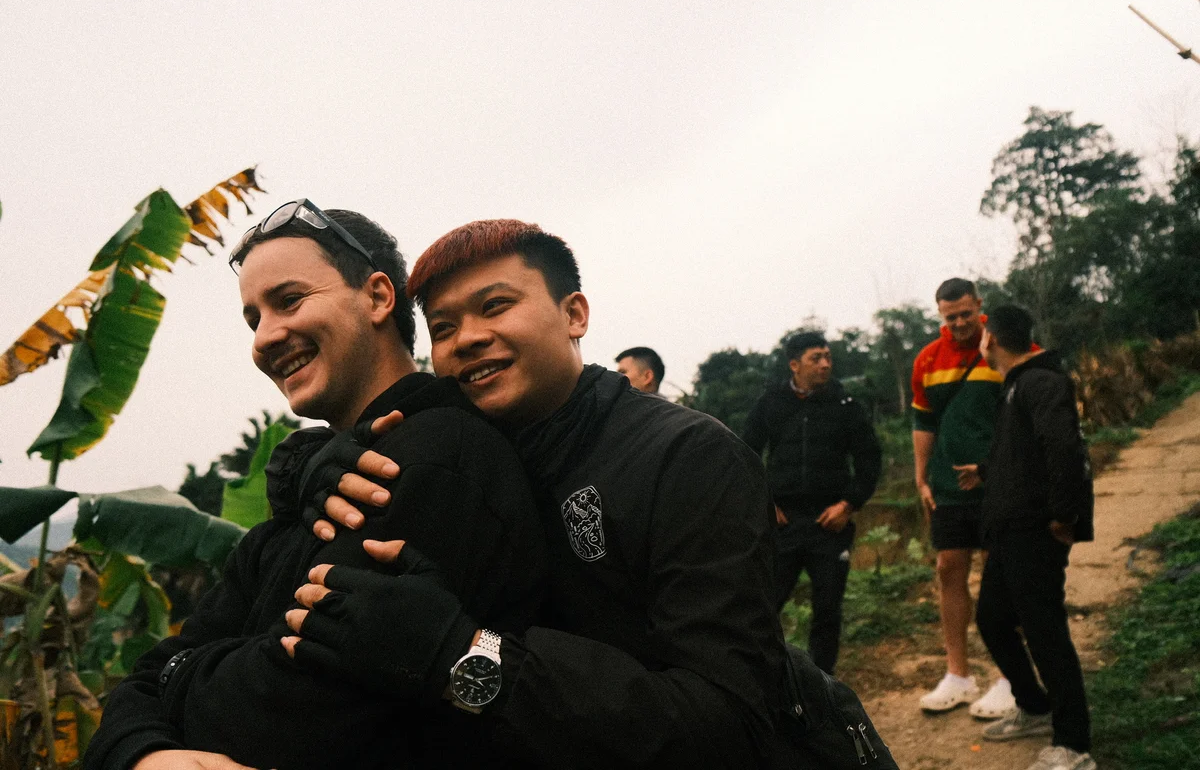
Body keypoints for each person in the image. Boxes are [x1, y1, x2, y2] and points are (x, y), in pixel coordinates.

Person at [283, 219, 787, 768]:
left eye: (495, 306)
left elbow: (729, 724)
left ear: (575, 314)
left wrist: (464, 655)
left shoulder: (688, 459)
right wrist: (312, 465)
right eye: (444, 327)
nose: (468, 337)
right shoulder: (461, 455)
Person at [82, 203, 545, 770]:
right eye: (254, 319)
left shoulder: (429, 460)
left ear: (377, 297)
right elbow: (141, 683)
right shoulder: (312, 487)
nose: (266, 337)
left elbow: (283, 715)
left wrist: (175, 681)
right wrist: (145, 754)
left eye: (289, 300)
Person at [953, 305, 1095, 770]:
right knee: (993, 620)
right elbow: (1027, 455)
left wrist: (1063, 514)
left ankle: (1073, 744)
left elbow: (1063, 448)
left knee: (1045, 631)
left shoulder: (1040, 382)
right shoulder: (1016, 387)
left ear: (989, 339)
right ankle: (1034, 707)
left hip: (1034, 530)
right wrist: (987, 471)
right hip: (1009, 531)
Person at [742, 332, 881, 674]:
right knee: (764, 604)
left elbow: (869, 460)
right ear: (794, 364)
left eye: (828, 357)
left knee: (827, 610)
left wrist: (848, 505)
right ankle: (764, 677)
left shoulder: (846, 406)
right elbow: (744, 453)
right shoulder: (771, 403)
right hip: (782, 521)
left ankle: (823, 686)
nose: (825, 364)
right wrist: (764, 503)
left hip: (829, 522)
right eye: (815, 358)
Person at [910, 278, 1016, 718]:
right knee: (949, 569)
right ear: (940, 315)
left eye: (965, 313)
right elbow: (924, 422)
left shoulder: (1004, 346)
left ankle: (1011, 678)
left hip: (1000, 483)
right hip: (950, 487)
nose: (958, 323)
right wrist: (921, 479)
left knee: (1002, 576)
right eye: (949, 316)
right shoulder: (928, 360)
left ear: (979, 306)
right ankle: (958, 675)